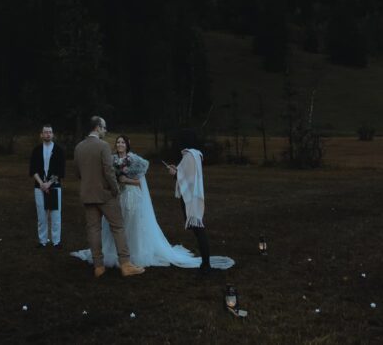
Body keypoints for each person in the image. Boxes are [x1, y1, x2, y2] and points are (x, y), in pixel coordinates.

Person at [72, 134, 234, 272]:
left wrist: (125, 179)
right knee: (117, 225)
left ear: (128, 145)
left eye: (123, 142)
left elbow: (139, 183)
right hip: (117, 197)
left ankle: (132, 253)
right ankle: (117, 252)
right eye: (118, 142)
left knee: (132, 224)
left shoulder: (135, 160)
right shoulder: (113, 160)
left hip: (132, 196)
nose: (120, 144)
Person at [72, 116, 144, 278]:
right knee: (118, 227)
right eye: (104, 128)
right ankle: (125, 264)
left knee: (93, 229)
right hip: (105, 194)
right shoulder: (103, 146)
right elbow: (109, 172)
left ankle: (98, 266)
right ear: (97, 128)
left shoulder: (78, 147)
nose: (105, 131)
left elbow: (77, 172)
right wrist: (115, 189)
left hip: (87, 194)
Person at [166, 128, 217, 276]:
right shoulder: (195, 155)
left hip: (191, 198)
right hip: (193, 196)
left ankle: (206, 265)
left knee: (199, 231)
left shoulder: (189, 155)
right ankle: (205, 263)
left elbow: (186, 178)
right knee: (198, 231)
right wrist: (178, 171)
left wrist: (175, 173)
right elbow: (187, 175)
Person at [29, 124, 65, 248]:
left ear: (53, 134)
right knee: (42, 215)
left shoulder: (59, 150)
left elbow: (61, 171)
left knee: (55, 215)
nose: (48, 134)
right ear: (41, 134)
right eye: (45, 132)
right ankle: (42, 241)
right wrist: (41, 184)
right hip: (39, 186)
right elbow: (32, 169)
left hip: (54, 186)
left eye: (50, 132)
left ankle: (56, 241)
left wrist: (49, 183)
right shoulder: (36, 150)